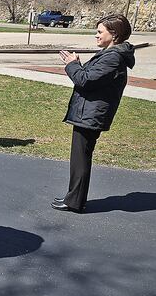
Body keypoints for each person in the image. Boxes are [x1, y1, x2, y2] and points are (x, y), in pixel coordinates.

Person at [51, 14, 135, 213]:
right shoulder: (109, 54)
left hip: (91, 115)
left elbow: (85, 80)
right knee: (79, 156)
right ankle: (74, 197)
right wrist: (75, 64)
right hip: (88, 112)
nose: (96, 35)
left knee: (81, 157)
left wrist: (72, 64)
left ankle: (74, 201)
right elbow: (89, 78)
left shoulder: (113, 57)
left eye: (100, 32)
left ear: (113, 34)